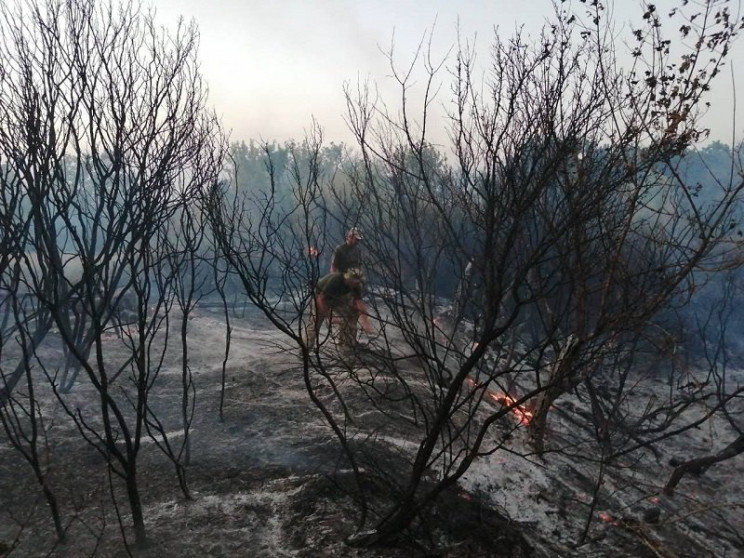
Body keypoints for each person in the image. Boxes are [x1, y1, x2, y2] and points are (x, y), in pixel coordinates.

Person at [304, 269, 364, 348]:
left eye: (358, 282)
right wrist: (329, 317)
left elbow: (359, 302)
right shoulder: (336, 279)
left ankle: (346, 344)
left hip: (337, 298)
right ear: (349, 279)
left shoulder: (356, 286)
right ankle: (306, 347)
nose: (357, 284)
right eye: (355, 282)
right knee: (315, 324)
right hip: (320, 297)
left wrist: (365, 323)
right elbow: (321, 299)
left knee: (349, 315)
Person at [330, 227, 373, 334]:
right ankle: (345, 338)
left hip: (355, 279)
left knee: (355, 308)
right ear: (349, 237)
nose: (357, 242)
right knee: (347, 309)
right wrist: (336, 281)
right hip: (343, 280)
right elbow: (333, 268)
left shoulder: (357, 251)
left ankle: (353, 337)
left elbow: (358, 266)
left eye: (359, 240)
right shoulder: (340, 250)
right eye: (356, 239)